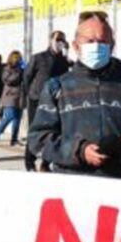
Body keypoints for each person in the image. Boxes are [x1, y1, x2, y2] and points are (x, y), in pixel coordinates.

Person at [28, 10, 121, 180]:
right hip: (75, 186)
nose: (96, 46)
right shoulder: (57, 88)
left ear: (112, 45)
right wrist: (79, 151)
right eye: (90, 41)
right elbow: (38, 139)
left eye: (102, 41)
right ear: (76, 46)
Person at [23, 31, 70, 169]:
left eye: (62, 40)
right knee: (35, 130)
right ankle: (29, 161)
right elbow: (27, 76)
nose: (60, 42)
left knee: (54, 131)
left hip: (56, 100)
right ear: (51, 40)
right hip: (36, 99)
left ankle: (46, 162)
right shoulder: (39, 57)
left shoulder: (63, 60)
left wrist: (67, 53)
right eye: (57, 39)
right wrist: (29, 94)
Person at [0, 50, 25, 146]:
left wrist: (26, 70)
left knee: (17, 119)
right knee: (9, 116)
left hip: (20, 96)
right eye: (18, 58)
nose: (19, 60)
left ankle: (14, 139)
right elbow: (8, 80)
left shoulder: (22, 69)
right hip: (10, 96)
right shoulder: (7, 68)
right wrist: (19, 72)